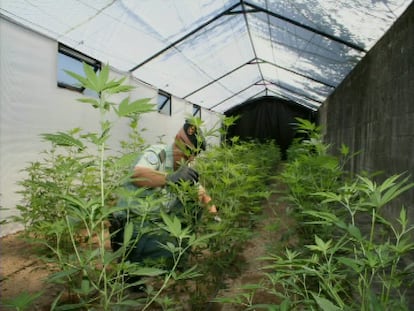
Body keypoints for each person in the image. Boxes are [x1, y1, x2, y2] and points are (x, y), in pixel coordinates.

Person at [109, 119, 217, 270]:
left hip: (155, 219)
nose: (190, 158)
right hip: (133, 218)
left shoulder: (185, 165)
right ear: (177, 141)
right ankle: (131, 266)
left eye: (193, 155)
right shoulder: (158, 153)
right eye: (187, 152)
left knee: (193, 206)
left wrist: (215, 218)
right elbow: (138, 174)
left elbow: (201, 192)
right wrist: (169, 178)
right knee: (137, 266)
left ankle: (173, 260)